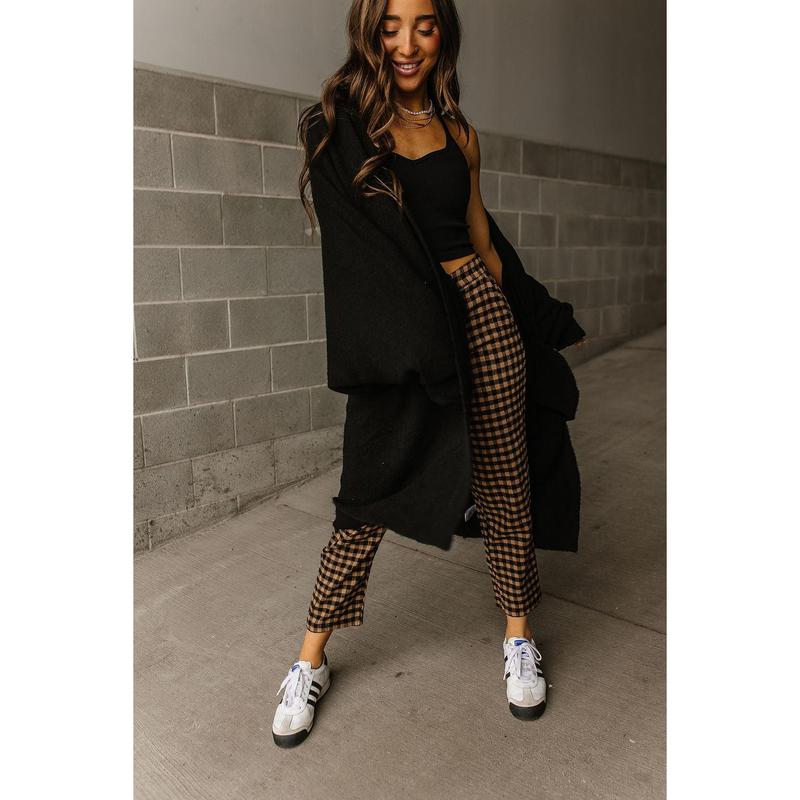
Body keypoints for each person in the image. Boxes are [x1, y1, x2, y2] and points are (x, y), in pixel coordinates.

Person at [272, 0, 587, 748]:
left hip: (482, 317)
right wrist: (403, 337)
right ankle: (310, 661)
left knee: (506, 483)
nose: (406, 44)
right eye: (390, 26)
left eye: (423, 25)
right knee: (367, 497)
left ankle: (519, 638)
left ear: (444, 32)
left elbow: (484, 243)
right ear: (370, 33)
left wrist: (526, 316)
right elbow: (358, 260)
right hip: (405, 338)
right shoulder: (343, 129)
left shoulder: (460, 134)